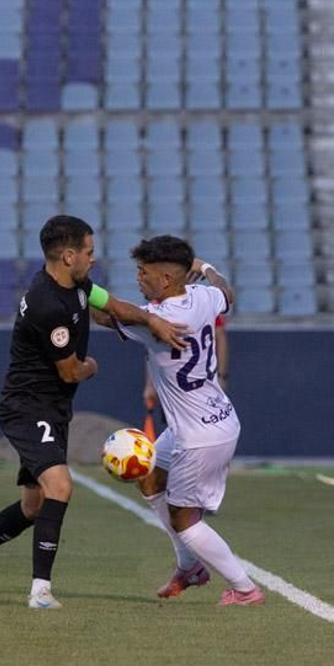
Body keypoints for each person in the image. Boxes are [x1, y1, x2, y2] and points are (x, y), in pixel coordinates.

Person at [0, 215, 187, 610]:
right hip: (26, 407)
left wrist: (149, 320)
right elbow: (72, 370)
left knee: (33, 506)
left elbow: (105, 306)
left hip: (52, 408)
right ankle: (40, 591)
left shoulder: (76, 284)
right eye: (89, 252)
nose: (94, 259)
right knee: (60, 486)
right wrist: (93, 365)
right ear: (69, 254)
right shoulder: (47, 304)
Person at [117, 235, 264, 605]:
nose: (138, 277)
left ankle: (245, 588)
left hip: (200, 436)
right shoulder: (202, 297)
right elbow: (226, 293)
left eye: (143, 271)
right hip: (212, 418)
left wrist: (81, 291)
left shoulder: (164, 320)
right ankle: (189, 568)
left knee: (186, 520)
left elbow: (106, 316)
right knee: (149, 476)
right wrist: (206, 267)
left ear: (166, 279)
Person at [143, 311, 227, 437]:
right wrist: (150, 384)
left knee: (206, 425)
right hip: (172, 382)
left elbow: (220, 338)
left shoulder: (204, 300)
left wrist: (221, 375)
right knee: (175, 428)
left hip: (201, 382)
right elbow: (152, 351)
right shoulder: (157, 309)